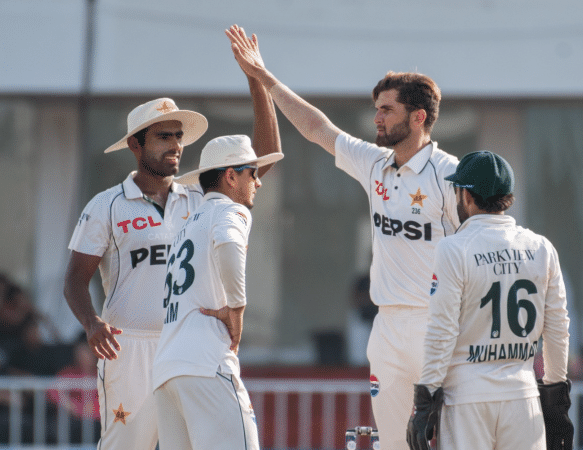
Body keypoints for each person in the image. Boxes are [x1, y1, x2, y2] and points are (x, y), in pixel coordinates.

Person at [225, 24, 460, 449]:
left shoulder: (451, 173)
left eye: (387, 109)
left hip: (438, 324)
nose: (378, 117)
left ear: (419, 117)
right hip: (386, 325)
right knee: (392, 442)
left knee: (447, 440)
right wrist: (265, 77)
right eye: (378, 108)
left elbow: (480, 247)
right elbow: (317, 129)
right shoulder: (375, 163)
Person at [63, 65, 281, 448]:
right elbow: (74, 280)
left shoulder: (202, 196)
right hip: (127, 347)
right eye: (164, 136)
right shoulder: (106, 205)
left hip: (183, 342)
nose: (176, 145)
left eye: (179, 137)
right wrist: (91, 322)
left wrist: (257, 83)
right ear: (135, 144)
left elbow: (259, 164)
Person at [408, 151, 572, 450]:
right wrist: (556, 397)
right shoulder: (541, 248)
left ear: (467, 196)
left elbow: (442, 330)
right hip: (523, 397)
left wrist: (425, 399)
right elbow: (558, 329)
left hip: (467, 398)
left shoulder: (454, 248)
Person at [151, 134, 282, 449]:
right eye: (252, 172)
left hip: (167, 369)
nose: (259, 182)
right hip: (206, 362)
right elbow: (228, 243)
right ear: (231, 175)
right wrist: (237, 308)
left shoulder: (188, 225)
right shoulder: (229, 210)